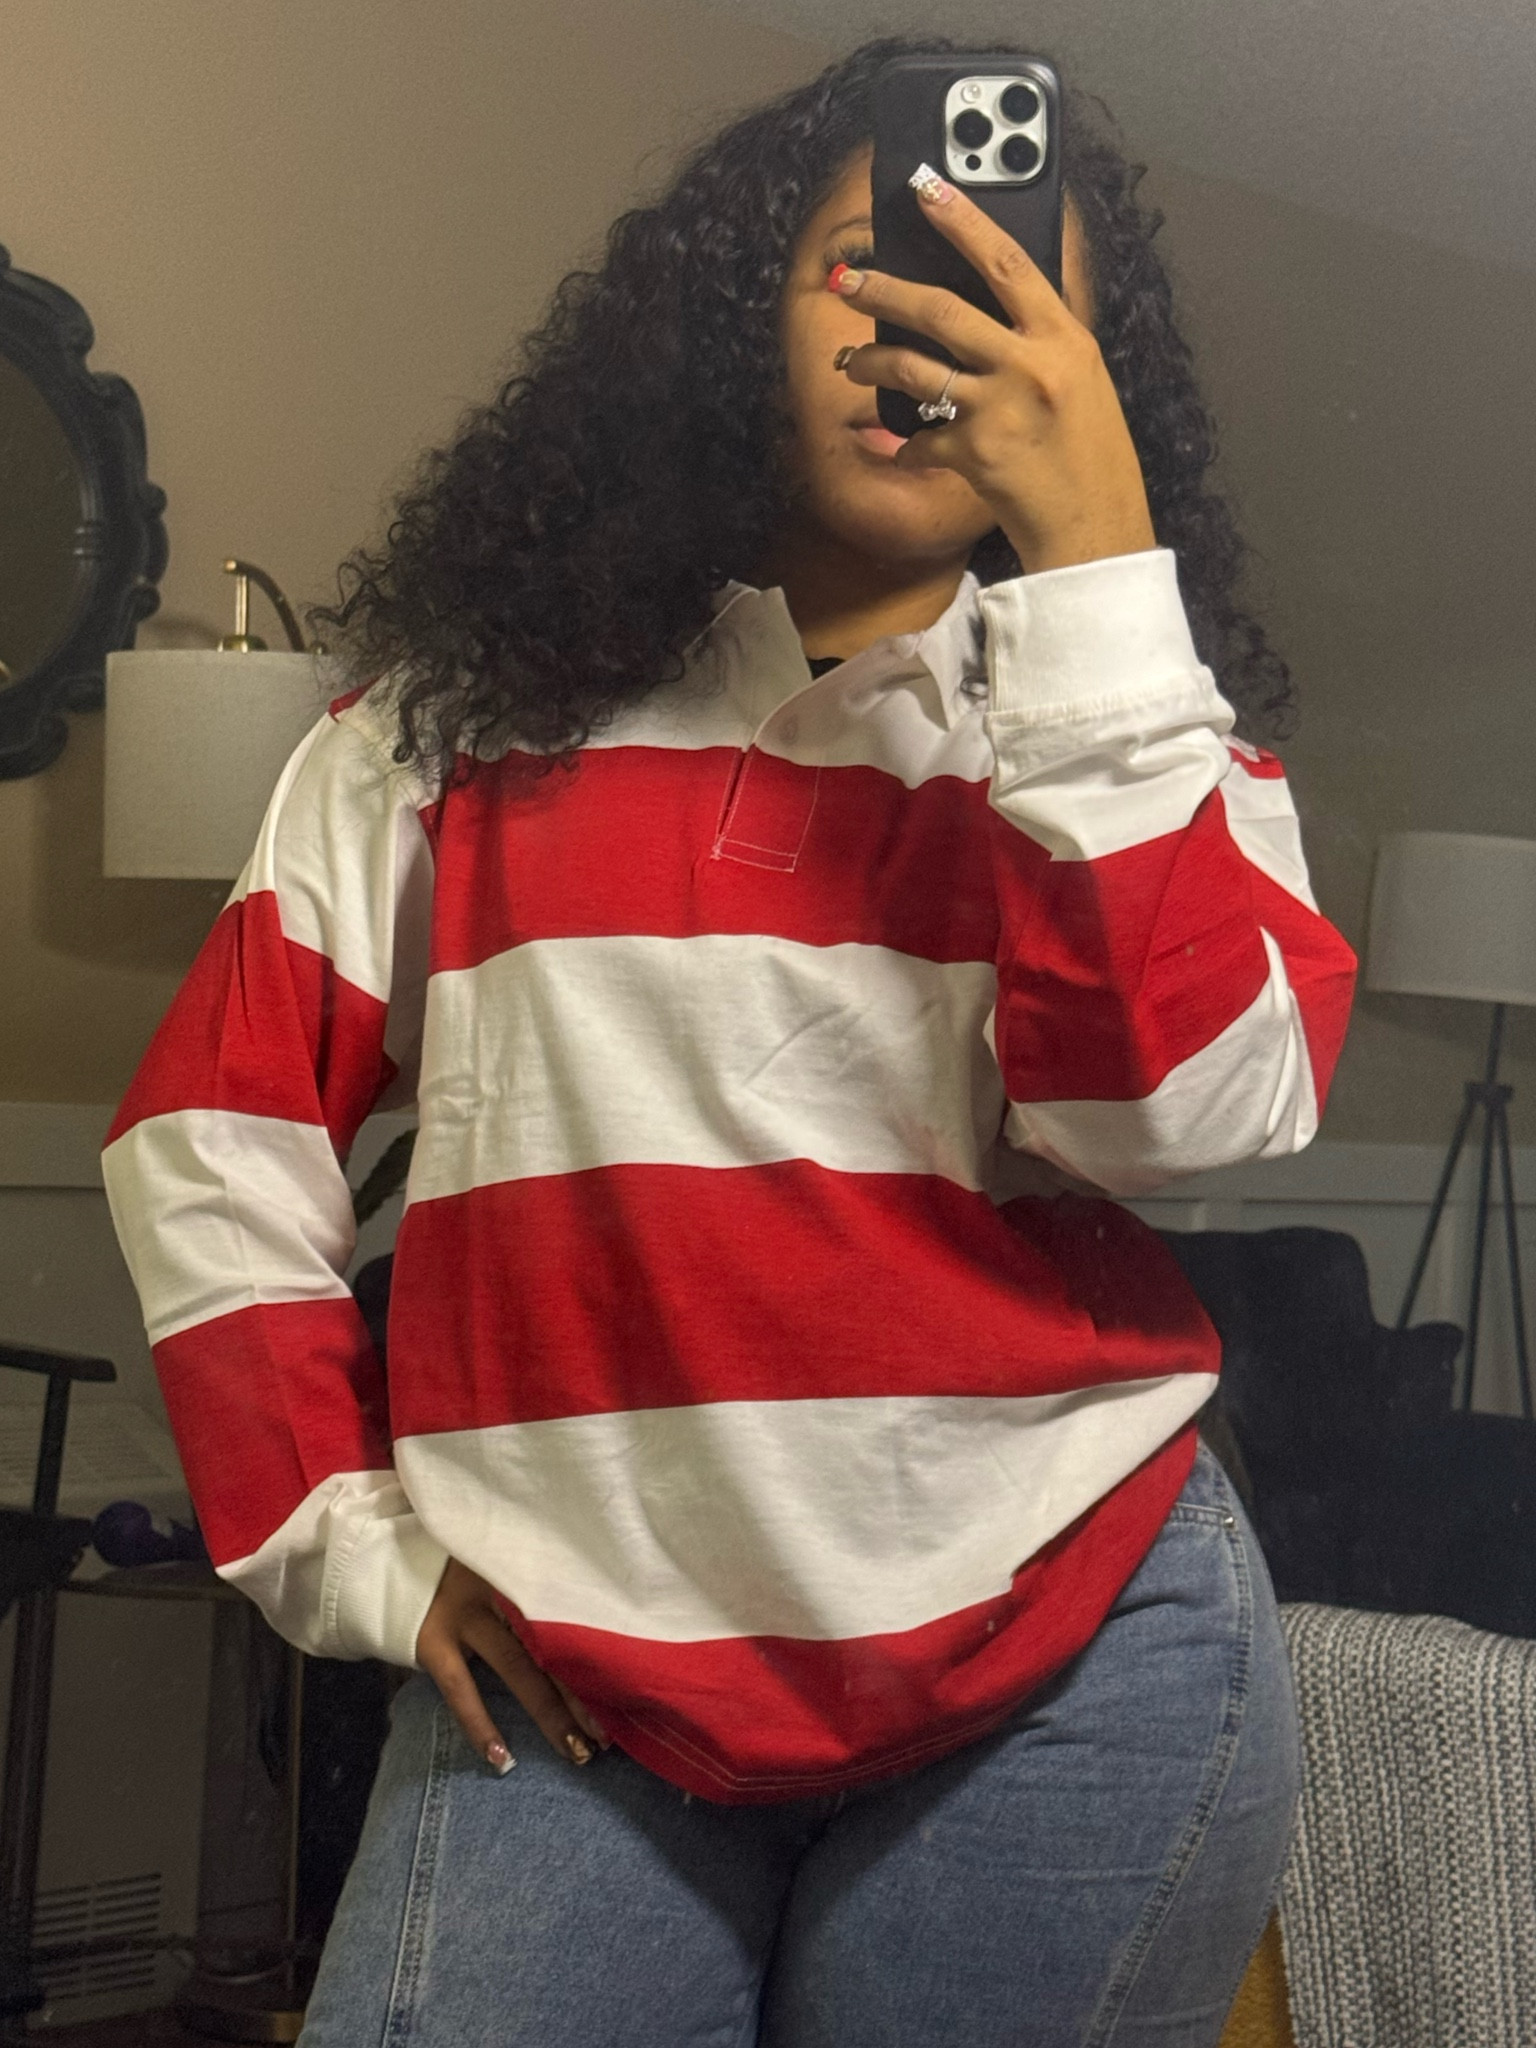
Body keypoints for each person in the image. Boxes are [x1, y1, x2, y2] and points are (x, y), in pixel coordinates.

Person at [103, 36, 1356, 2047]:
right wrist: (355, 1552)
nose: (923, 331)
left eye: (1002, 290)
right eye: (866, 264)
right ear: (727, 326)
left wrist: (1104, 579)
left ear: (1090, 389)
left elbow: (1178, 1118)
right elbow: (210, 1137)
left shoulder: (1145, 742)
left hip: (1074, 1659)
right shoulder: (449, 725)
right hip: (575, 1685)